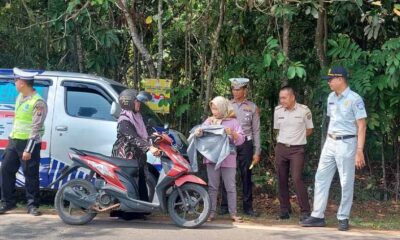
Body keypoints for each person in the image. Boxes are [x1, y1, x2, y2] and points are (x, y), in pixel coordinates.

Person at [300, 66, 367, 231]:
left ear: (341, 79)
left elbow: (362, 125)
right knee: (321, 177)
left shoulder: (354, 98)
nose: (328, 82)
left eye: (331, 79)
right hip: (330, 142)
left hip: (347, 143)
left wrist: (359, 150)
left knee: (346, 181)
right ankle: (318, 215)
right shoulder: (331, 97)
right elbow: (332, 121)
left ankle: (343, 217)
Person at [0, 67, 48, 216]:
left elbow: (36, 128)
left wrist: (28, 149)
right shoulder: (20, 97)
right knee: (6, 169)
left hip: (29, 143)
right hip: (14, 140)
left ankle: (32, 205)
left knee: (30, 174)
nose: (15, 82)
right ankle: (8, 202)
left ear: (23, 83)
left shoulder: (38, 102)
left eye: (16, 80)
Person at [110, 89, 160, 219]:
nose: (139, 104)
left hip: (137, 156)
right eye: (136, 102)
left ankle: (139, 210)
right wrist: (149, 147)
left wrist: (154, 136)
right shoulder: (124, 120)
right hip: (125, 156)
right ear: (129, 103)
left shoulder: (137, 117)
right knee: (130, 182)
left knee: (141, 180)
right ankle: (126, 212)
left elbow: (144, 132)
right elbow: (133, 138)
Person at [195, 96, 245, 222]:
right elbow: (200, 133)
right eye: (212, 108)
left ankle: (233, 213)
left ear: (223, 108)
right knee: (212, 187)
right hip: (212, 158)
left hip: (228, 158)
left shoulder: (233, 122)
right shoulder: (209, 121)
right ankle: (211, 213)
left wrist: (232, 133)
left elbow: (241, 139)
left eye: (216, 108)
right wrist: (199, 132)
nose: (214, 111)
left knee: (230, 187)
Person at [220, 78, 261, 217]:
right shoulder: (226, 105)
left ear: (245, 90)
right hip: (229, 143)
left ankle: (248, 207)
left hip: (245, 144)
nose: (235, 92)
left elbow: (256, 130)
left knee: (246, 175)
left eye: (238, 89)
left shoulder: (252, 107)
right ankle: (225, 205)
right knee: (227, 174)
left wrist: (257, 151)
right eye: (233, 89)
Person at [273, 86, 313, 221]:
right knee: (281, 178)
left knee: (296, 178)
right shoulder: (278, 111)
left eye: (284, 98)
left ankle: (305, 210)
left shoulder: (304, 110)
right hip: (281, 148)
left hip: (297, 149)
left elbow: (309, 129)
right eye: (280, 98)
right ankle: (285, 209)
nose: (281, 100)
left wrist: (297, 139)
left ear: (292, 97)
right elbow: (278, 129)